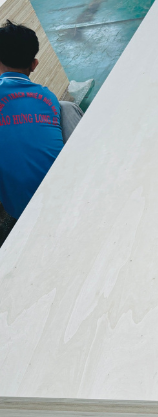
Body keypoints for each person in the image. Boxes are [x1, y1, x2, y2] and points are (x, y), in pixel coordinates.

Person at [0, 20, 83, 247]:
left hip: (20, 209)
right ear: (35, 64)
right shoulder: (47, 96)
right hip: (70, 193)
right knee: (66, 107)